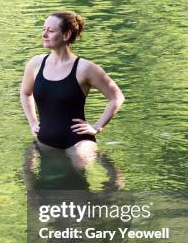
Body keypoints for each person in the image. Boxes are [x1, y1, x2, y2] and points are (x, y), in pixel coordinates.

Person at [20, 11, 125, 168]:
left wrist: (97, 127)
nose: (44, 34)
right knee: (34, 178)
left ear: (66, 34)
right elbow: (25, 92)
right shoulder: (35, 64)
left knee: (76, 175)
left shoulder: (85, 68)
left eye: (50, 30)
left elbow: (117, 97)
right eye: (43, 29)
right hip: (45, 142)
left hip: (77, 143)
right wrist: (32, 121)